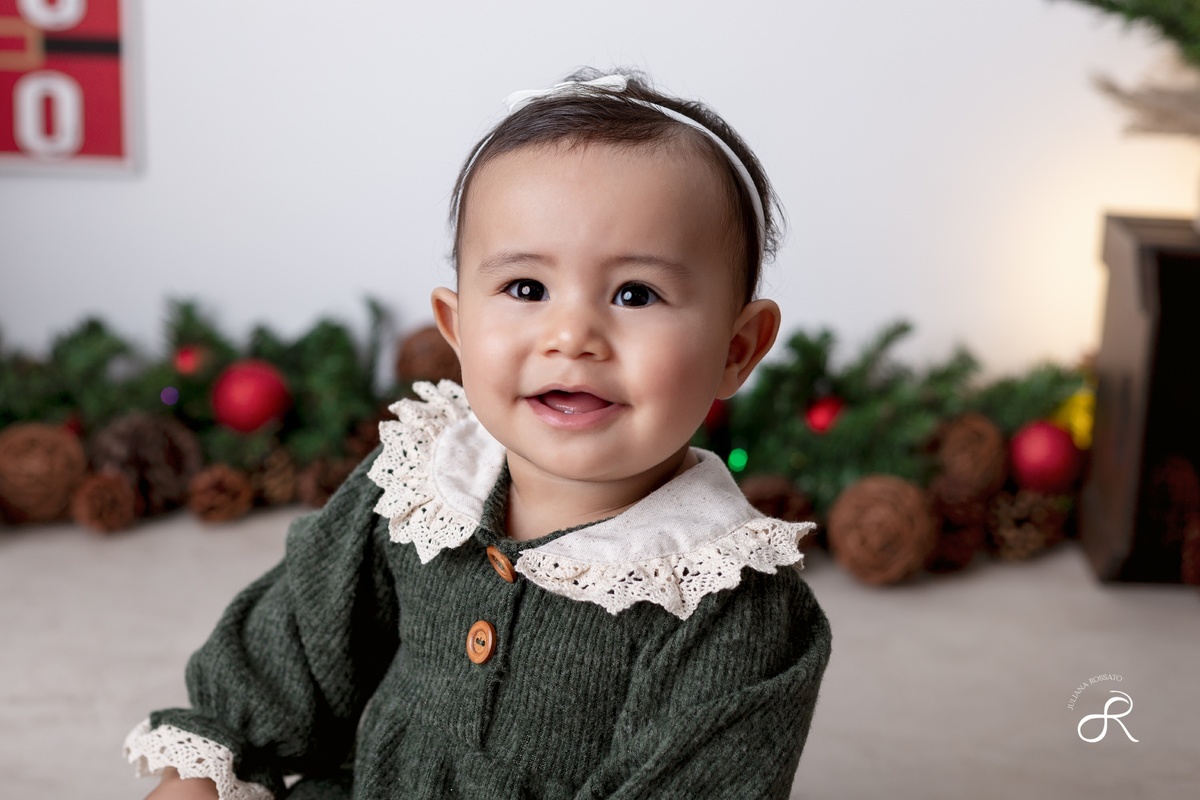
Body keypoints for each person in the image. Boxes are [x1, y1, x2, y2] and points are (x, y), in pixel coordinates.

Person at [124, 67, 832, 800]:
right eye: (526, 289)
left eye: (636, 293)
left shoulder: (723, 600)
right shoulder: (420, 486)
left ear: (737, 349)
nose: (572, 335)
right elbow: (290, 650)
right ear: (457, 328)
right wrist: (209, 769)